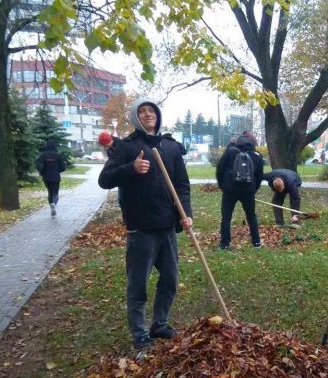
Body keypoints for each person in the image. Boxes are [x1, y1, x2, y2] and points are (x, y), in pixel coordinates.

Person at [98, 97, 193, 350]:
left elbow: (182, 184)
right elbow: (105, 179)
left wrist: (186, 213)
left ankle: (159, 324)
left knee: (170, 280)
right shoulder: (127, 147)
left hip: (167, 226)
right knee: (138, 284)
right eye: (143, 111)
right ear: (135, 117)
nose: (148, 114)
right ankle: (139, 333)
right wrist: (131, 167)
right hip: (141, 228)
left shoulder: (170, 147)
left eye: (152, 110)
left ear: (158, 115)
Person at [216, 131, 265, 249]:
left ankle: (224, 244)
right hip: (248, 191)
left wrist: (223, 186)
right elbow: (259, 176)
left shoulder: (230, 152)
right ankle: (256, 242)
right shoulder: (257, 155)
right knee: (251, 216)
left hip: (229, 190)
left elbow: (220, 170)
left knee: (226, 217)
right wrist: (254, 189)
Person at [36, 140, 66, 216]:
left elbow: (39, 165)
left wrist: (41, 172)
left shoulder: (43, 155)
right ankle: (54, 204)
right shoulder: (57, 155)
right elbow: (63, 167)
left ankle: (51, 204)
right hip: (55, 177)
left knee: (50, 192)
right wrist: (57, 170)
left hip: (46, 177)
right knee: (55, 193)